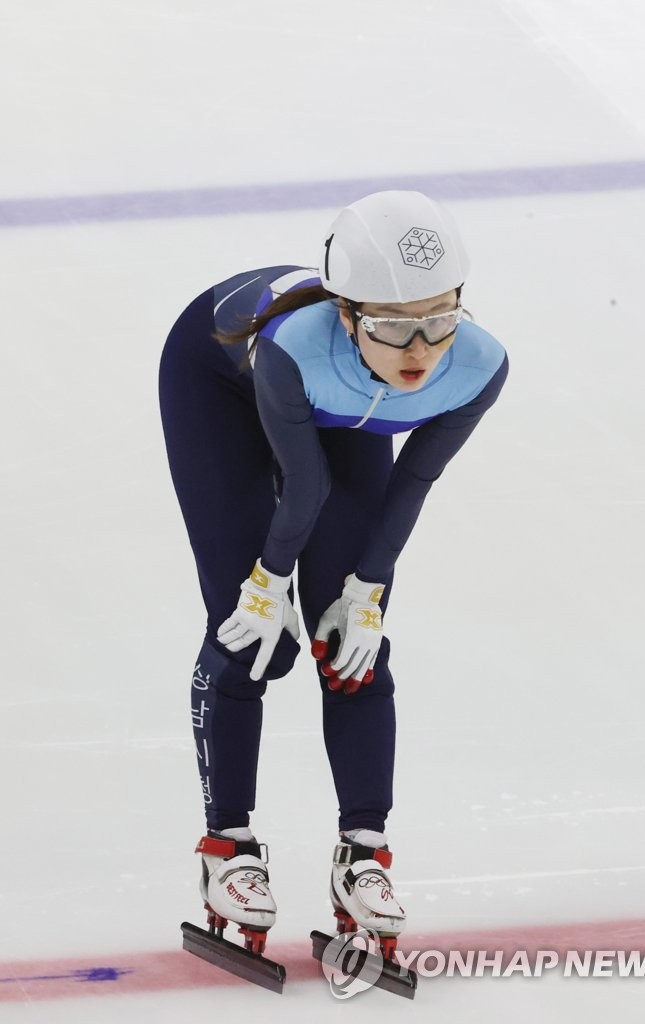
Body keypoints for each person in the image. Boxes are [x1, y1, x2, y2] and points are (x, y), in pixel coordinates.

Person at [158, 190, 508, 959]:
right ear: (348, 315)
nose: (421, 349)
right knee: (253, 638)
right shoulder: (295, 349)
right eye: (393, 326)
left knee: (349, 646)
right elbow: (303, 487)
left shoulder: (477, 365)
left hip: (341, 405)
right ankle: (228, 848)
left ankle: (364, 853)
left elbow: (412, 483)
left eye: (441, 317)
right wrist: (264, 581)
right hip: (218, 384)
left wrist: (367, 593)